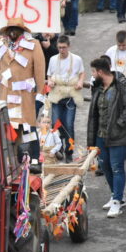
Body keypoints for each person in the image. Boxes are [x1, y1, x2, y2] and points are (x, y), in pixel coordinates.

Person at [0, 17, 46, 164]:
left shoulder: (33, 45)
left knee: (28, 127)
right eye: (10, 29)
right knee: (7, 128)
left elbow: (40, 71)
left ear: (21, 30)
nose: (12, 32)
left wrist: (40, 94)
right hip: (5, 95)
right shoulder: (0, 46)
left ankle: (34, 158)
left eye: (15, 29)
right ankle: (9, 159)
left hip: (25, 95)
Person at [87, 57, 126, 218]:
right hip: (101, 135)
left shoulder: (122, 85)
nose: (92, 75)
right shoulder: (98, 87)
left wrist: (119, 123)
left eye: (94, 72)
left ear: (101, 72)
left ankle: (117, 201)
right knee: (106, 167)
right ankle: (116, 195)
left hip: (118, 135)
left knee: (117, 167)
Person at [47, 35, 85, 163]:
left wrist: (80, 82)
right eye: (59, 48)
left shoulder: (77, 59)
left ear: (69, 47)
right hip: (57, 94)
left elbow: (82, 73)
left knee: (69, 124)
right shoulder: (53, 59)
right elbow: (49, 75)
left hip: (70, 95)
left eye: (63, 48)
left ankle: (69, 151)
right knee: (55, 124)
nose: (61, 50)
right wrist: (50, 81)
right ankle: (60, 147)